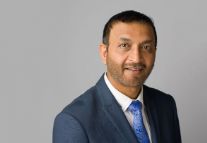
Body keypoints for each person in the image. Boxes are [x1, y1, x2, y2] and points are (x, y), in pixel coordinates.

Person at [53, 10, 181, 143]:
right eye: (124, 45)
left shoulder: (165, 105)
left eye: (146, 47)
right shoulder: (75, 121)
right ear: (104, 53)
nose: (136, 58)